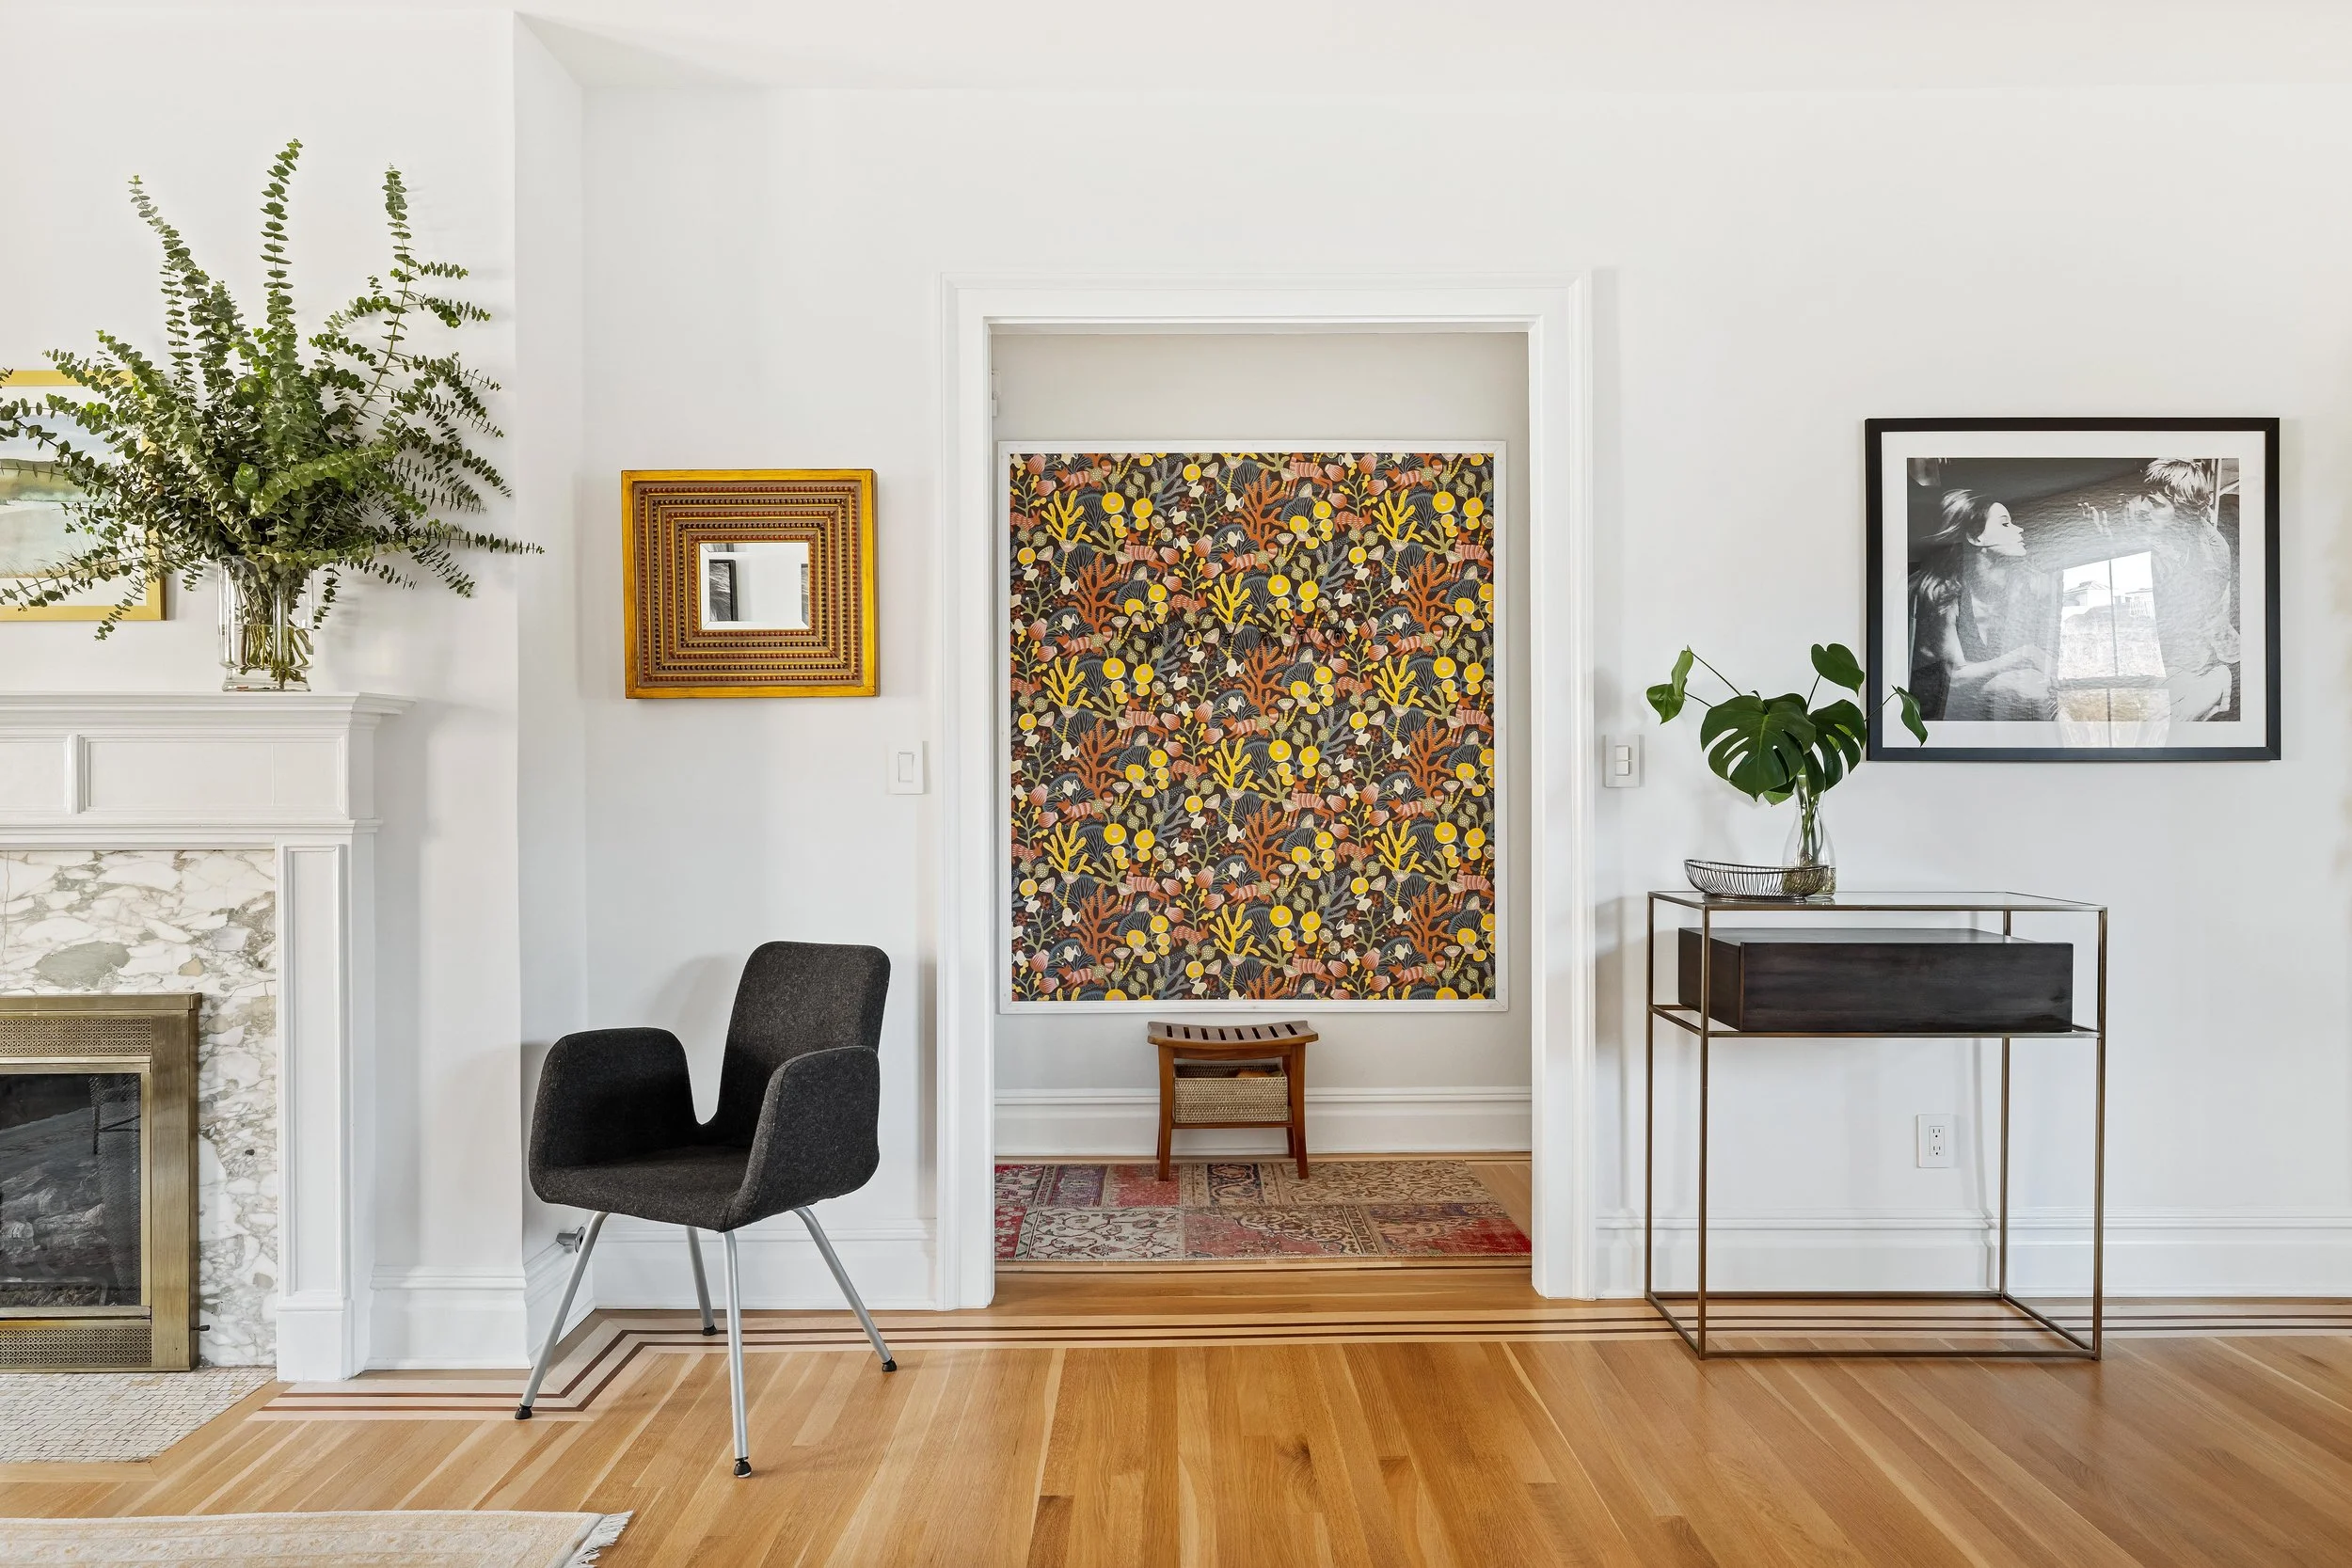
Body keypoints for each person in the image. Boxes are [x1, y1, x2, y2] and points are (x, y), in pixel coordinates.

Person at [1908, 489, 2057, 721]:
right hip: (1932, 704)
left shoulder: (2018, 589)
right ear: (1977, 538)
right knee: (2027, 688)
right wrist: (2023, 655)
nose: (2019, 530)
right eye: (2005, 524)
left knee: (2033, 685)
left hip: (1979, 695)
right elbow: (1955, 676)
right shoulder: (1943, 593)